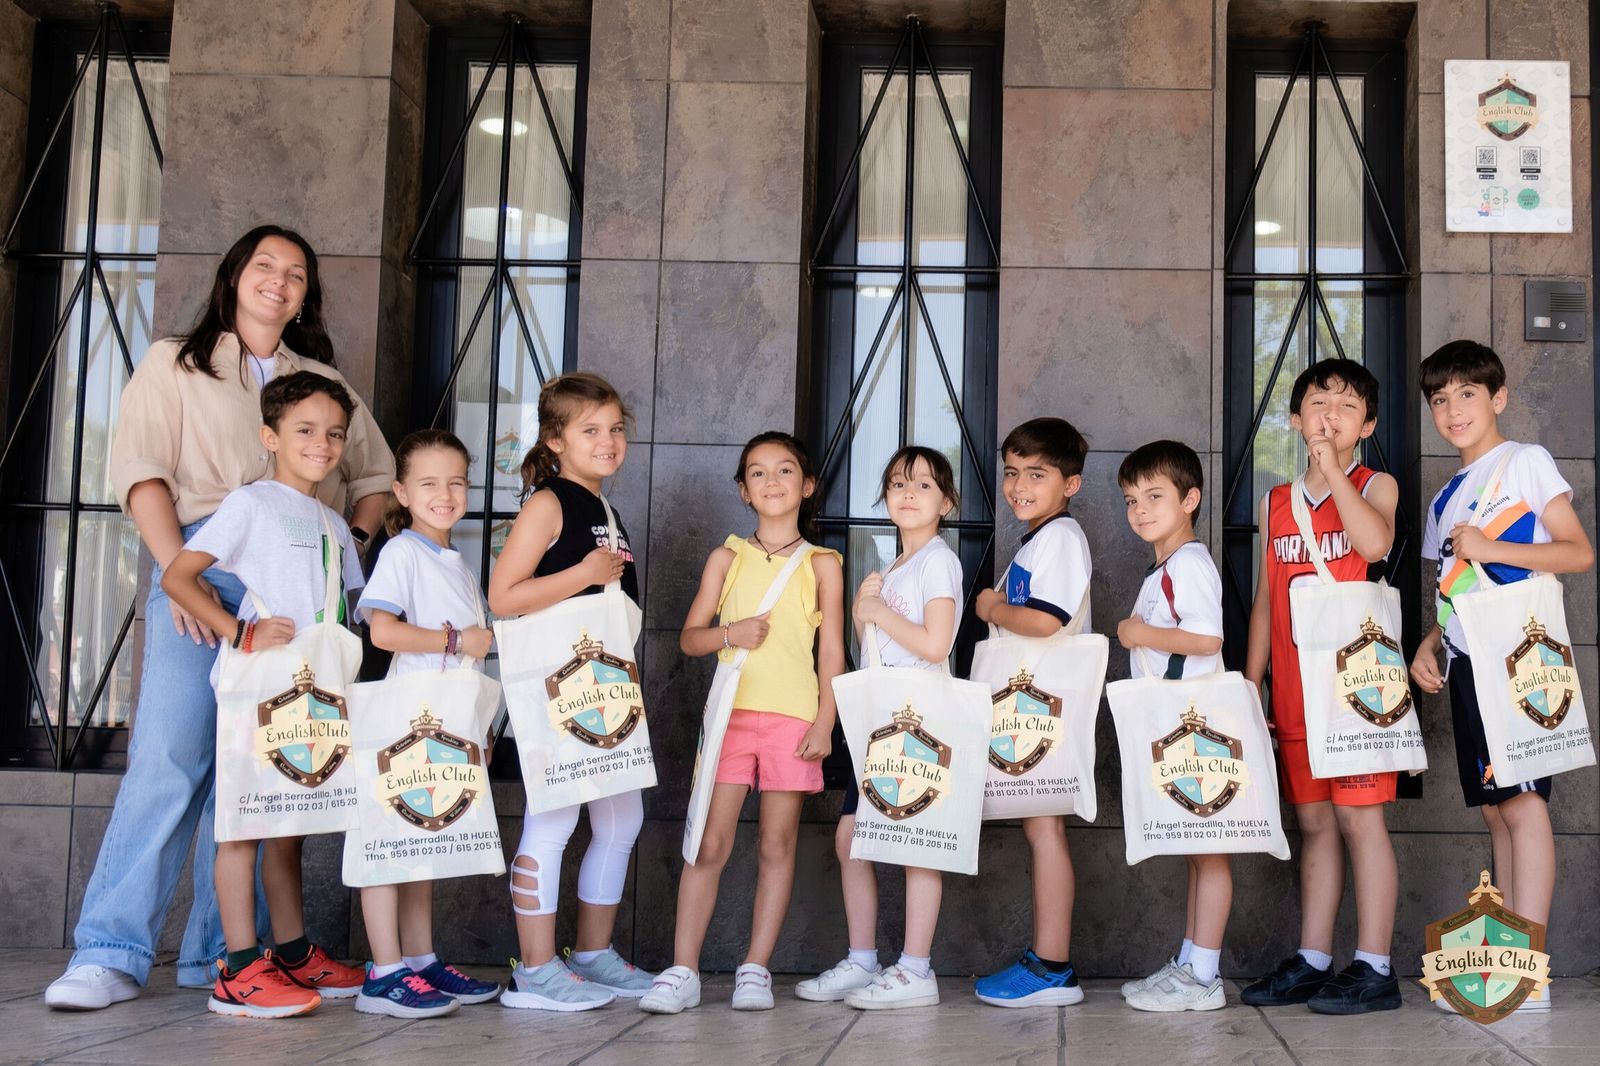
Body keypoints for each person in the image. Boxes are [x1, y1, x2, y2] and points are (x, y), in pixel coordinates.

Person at [45, 226, 393, 1011]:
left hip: (293, 582)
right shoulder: (175, 361)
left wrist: (350, 545)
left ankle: (222, 957)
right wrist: (177, 578)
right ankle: (109, 950)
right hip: (202, 559)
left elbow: (375, 475)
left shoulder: (321, 378)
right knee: (172, 755)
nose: (279, 281)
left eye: (296, 273)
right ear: (234, 275)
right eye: (265, 266)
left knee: (262, 770)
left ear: (307, 294)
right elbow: (142, 471)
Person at [163, 372, 370, 1017]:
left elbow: (342, 606)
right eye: (304, 430)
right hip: (261, 689)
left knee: (290, 827)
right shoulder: (251, 504)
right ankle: (239, 966)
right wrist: (238, 629)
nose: (321, 443)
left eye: (333, 433)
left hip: (314, 692)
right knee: (244, 825)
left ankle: (292, 952)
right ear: (269, 436)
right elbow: (179, 575)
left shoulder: (335, 523)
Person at [1409, 340, 1594, 1014]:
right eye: (1440, 399)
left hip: (1520, 657)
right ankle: (1511, 959)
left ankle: (1530, 970)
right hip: (1467, 659)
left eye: (1466, 393)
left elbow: (1577, 552)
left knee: (1524, 804)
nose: (1453, 409)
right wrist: (1428, 645)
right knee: (1495, 811)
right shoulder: (1444, 500)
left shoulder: (1524, 463)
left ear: (1498, 397)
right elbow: (1453, 587)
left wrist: (1491, 544)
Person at [640, 433, 846, 1014]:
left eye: (786, 471)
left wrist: (826, 721)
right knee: (710, 839)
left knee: (778, 844)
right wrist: (732, 635)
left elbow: (832, 651)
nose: (772, 482)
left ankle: (754, 969)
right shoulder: (726, 557)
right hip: (729, 718)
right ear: (743, 488)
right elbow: (689, 637)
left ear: (807, 486)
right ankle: (682, 970)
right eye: (758, 473)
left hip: (794, 720)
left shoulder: (823, 564)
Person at [487, 372, 653, 1010]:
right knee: (553, 817)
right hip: (563, 691)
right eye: (590, 430)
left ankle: (592, 955)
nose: (608, 441)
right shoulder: (547, 502)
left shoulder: (606, 506)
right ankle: (533, 970)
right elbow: (503, 597)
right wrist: (582, 574)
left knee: (622, 816)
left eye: (615, 429)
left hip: (605, 689)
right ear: (555, 440)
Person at [1242, 361, 1403, 1015]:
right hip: (1293, 688)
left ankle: (1374, 965)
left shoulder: (1376, 482)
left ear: (1366, 424)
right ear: (1294, 418)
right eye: (1317, 402)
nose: (1329, 413)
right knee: (1314, 822)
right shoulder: (1274, 502)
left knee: (1359, 818)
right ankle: (1313, 959)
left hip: (1359, 684)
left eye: (1345, 404)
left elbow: (1373, 543)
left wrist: (1333, 469)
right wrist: (1250, 685)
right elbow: (1263, 601)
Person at [800, 445, 962, 1011]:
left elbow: (936, 644)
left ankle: (916, 968)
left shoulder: (938, 560)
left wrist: (873, 612)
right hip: (883, 726)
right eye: (897, 484)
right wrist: (870, 606)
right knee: (852, 840)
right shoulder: (893, 566)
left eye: (922, 485)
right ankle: (863, 959)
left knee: (920, 846)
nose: (908, 494)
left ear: (947, 500)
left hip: (919, 723)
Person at [352, 429, 505, 1017]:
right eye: (429, 483)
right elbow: (383, 630)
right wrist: (454, 638)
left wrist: (478, 732)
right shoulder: (403, 552)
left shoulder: (455, 562)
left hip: (446, 724)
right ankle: (384, 972)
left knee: (422, 844)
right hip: (406, 721)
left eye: (456, 482)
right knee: (388, 845)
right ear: (401, 491)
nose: (445, 493)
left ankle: (419, 959)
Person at [971, 418, 1092, 1008]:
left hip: (1045, 711)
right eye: (1013, 472)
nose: (1020, 485)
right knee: (1039, 827)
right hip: (1031, 709)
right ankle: (1046, 959)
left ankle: (1052, 965)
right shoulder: (1040, 539)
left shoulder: (1062, 538)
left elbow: (1046, 621)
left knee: (1045, 829)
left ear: (1070, 484)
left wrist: (991, 605)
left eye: (1036, 474)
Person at [1115, 440, 1229, 1013]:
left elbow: (1208, 639)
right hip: (1181, 728)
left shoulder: (1188, 564)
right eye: (1132, 499)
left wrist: (1139, 633)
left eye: (1154, 496)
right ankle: (1190, 960)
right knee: (1197, 848)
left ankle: (1204, 972)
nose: (1140, 509)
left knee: (1209, 851)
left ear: (1191, 499)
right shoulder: (1166, 566)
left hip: (1199, 729)